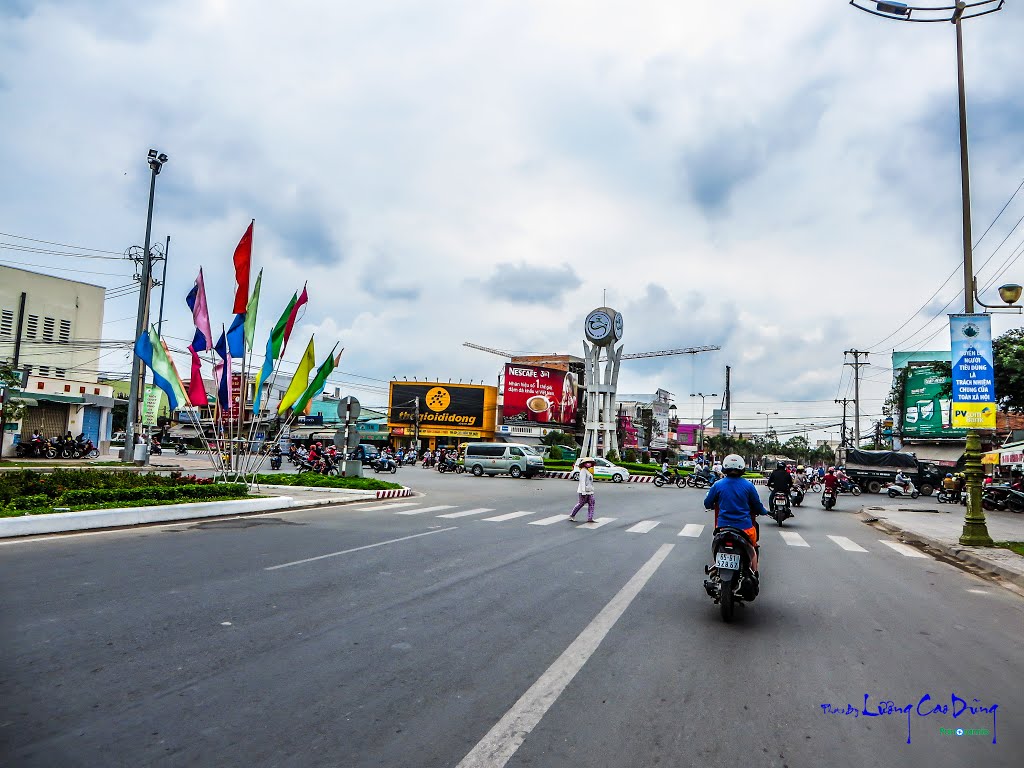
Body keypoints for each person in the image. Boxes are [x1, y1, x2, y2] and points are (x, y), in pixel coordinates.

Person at [703, 454, 768, 574]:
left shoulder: (718, 485)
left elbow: (707, 503)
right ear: (742, 468)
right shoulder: (748, 486)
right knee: (753, 548)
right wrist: (765, 511)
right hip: (745, 528)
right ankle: (754, 573)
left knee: (717, 546)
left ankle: (715, 569)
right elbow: (757, 506)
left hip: (722, 527)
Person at [569, 457, 597, 523]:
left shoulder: (588, 471)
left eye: (590, 462)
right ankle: (572, 515)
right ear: (584, 464)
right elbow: (582, 481)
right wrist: (583, 492)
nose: (588, 464)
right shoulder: (583, 471)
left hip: (589, 491)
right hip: (583, 491)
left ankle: (590, 518)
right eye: (587, 462)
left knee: (592, 503)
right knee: (581, 504)